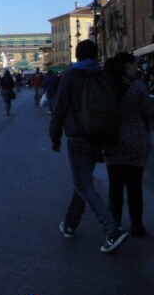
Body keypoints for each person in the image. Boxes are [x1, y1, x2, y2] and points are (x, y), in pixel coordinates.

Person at [49, 40, 128, 253]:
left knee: (83, 183)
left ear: (77, 55)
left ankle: (112, 230)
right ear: (96, 54)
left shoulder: (71, 77)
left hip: (79, 136)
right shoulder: (103, 76)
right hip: (99, 135)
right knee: (84, 181)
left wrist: (55, 137)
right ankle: (70, 223)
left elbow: (58, 109)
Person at [103, 52, 154, 236]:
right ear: (127, 66)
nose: (137, 68)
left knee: (115, 187)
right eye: (135, 65)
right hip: (135, 141)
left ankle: (115, 224)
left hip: (113, 141)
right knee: (135, 187)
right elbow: (149, 111)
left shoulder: (108, 86)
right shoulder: (138, 86)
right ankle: (136, 225)